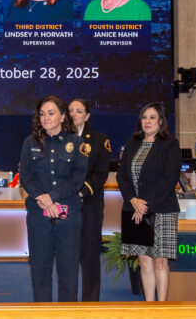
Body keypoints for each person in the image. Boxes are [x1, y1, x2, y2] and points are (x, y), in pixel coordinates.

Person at [19, 95, 89, 302]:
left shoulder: (77, 143)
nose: (45, 118)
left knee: (68, 269)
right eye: (42, 114)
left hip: (68, 213)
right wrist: (43, 199)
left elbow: (78, 178)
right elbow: (26, 177)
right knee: (40, 269)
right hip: (38, 214)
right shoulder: (29, 142)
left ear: (62, 116)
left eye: (51, 113)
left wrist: (52, 197)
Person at [116, 101, 181, 302]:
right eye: (144, 117)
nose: (147, 121)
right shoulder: (132, 143)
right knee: (144, 261)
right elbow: (122, 177)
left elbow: (169, 179)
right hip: (133, 209)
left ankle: (161, 308)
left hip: (161, 209)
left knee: (159, 262)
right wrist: (133, 200)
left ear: (161, 121)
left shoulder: (170, 144)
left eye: (152, 117)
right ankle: (149, 307)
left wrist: (145, 204)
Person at [68, 98, 111, 301]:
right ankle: (67, 302)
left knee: (90, 257)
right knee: (66, 258)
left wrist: (81, 191)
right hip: (64, 206)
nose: (74, 114)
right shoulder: (59, 138)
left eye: (79, 111)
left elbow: (101, 174)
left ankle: (90, 304)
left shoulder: (98, 139)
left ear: (87, 116)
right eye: (71, 110)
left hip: (90, 205)